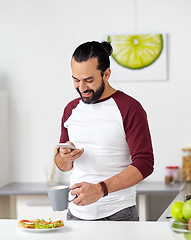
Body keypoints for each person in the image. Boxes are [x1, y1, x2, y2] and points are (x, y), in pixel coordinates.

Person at [54, 41, 154, 221]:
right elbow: (62, 164)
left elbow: (145, 163)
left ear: (106, 74)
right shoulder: (71, 109)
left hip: (118, 214)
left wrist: (100, 189)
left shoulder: (130, 108)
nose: (82, 88)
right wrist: (64, 157)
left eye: (89, 80)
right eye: (76, 80)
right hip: (75, 214)